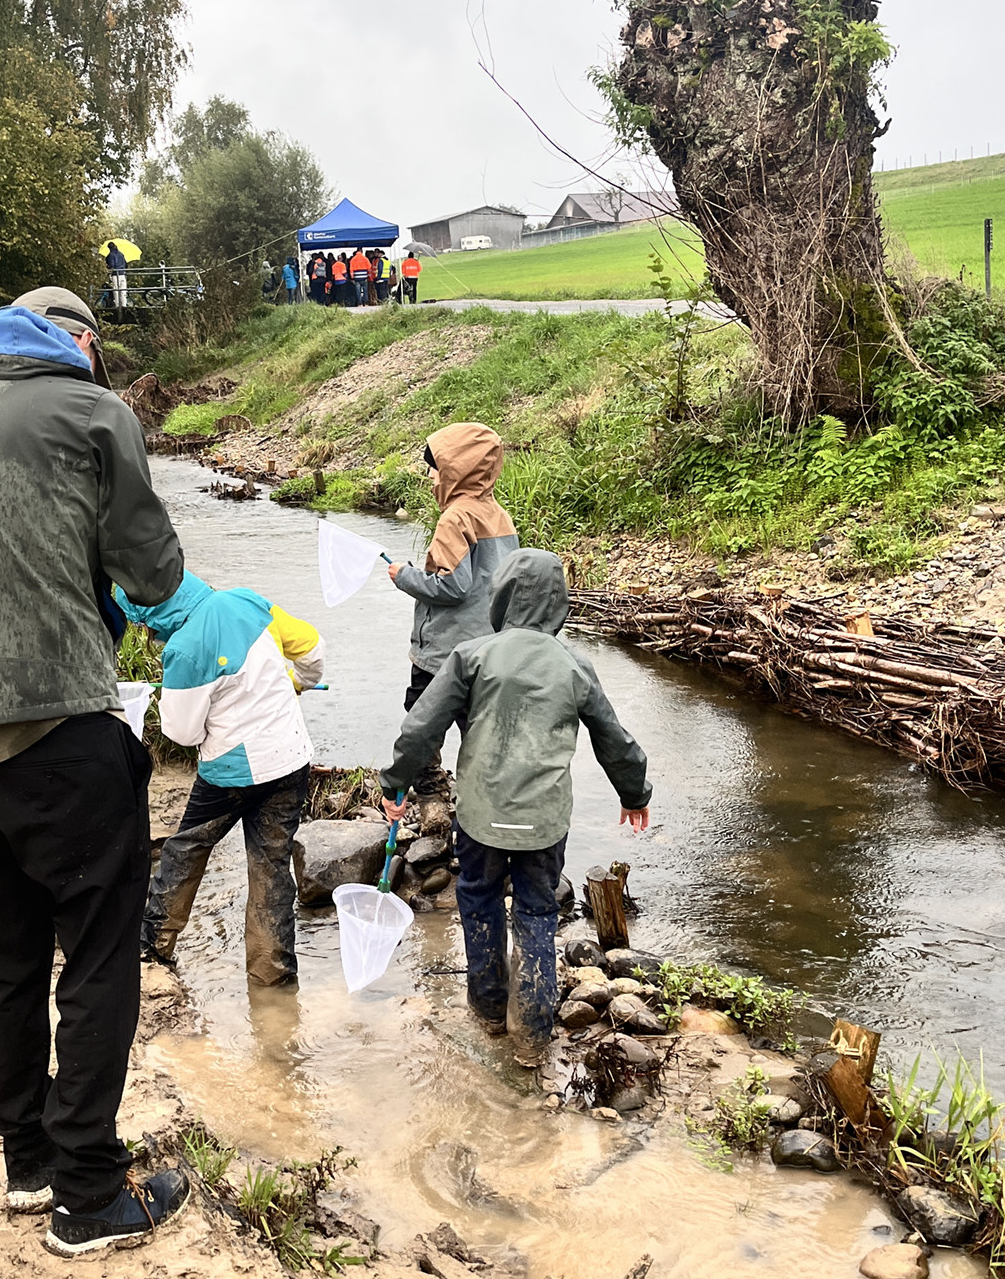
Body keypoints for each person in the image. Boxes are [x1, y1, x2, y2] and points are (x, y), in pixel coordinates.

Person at [0, 285, 192, 1258]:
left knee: (9, 960)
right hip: (67, 728)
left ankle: (30, 1162)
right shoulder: (95, 410)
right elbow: (158, 575)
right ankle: (89, 1194)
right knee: (98, 957)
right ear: (83, 345)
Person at [379, 549, 650, 1069]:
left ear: (500, 596)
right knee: (537, 911)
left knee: (478, 898)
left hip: (481, 815)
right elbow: (612, 737)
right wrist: (634, 793)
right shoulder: (574, 663)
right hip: (544, 820)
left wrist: (395, 784)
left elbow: (421, 727)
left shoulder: (472, 655)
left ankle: (487, 1010)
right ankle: (532, 1034)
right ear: (558, 602)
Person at [116, 573, 325, 986]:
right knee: (271, 866)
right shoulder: (248, 600)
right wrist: (298, 682)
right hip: (290, 758)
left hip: (233, 773)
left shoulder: (184, 648)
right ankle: (272, 980)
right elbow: (313, 648)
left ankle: (153, 946)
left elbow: (182, 733)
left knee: (187, 848)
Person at [387, 423, 518, 835]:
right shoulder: (497, 513)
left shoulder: (455, 517)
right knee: (478, 728)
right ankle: (485, 808)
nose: (430, 477)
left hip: (443, 653)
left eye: (435, 468)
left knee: (422, 723)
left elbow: (451, 587)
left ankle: (433, 803)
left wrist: (404, 575)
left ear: (455, 470)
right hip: (489, 650)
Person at [105, 241, 128, 315]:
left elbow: (111, 265)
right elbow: (126, 264)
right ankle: (124, 305)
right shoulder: (121, 254)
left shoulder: (111, 255)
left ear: (109, 248)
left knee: (116, 290)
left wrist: (107, 266)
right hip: (122, 274)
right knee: (123, 290)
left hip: (115, 274)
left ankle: (117, 306)